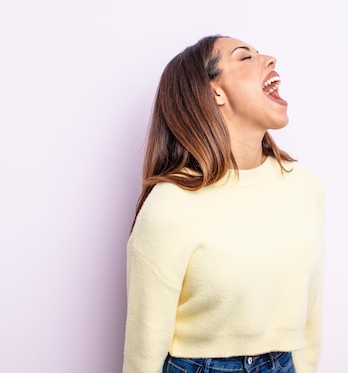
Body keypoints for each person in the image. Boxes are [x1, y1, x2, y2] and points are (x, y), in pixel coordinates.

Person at [122, 35, 325, 373]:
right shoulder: (170, 204)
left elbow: (310, 316)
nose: (270, 59)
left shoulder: (305, 186)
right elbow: (144, 347)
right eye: (245, 57)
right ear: (215, 91)